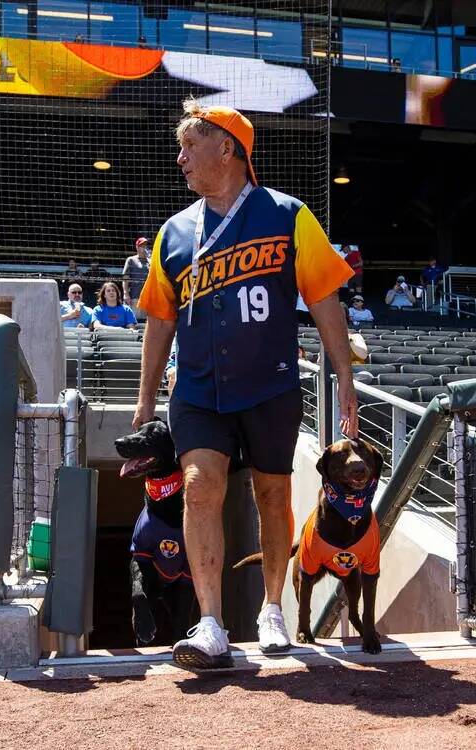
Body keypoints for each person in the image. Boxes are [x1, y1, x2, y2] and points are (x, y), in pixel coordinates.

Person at [133, 99, 356, 669]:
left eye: (189, 146)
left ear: (226, 148)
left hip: (270, 384)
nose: (180, 158)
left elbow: (325, 301)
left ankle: (272, 609)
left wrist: (347, 386)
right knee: (200, 485)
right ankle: (210, 625)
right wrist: (144, 401)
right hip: (200, 390)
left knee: (272, 494)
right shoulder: (173, 233)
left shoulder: (288, 214)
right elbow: (160, 320)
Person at [122, 237, 151, 309]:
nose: (144, 247)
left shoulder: (151, 261)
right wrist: (126, 294)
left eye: (146, 245)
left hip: (149, 298)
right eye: (142, 245)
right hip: (134, 298)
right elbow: (125, 278)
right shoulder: (131, 260)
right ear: (137, 247)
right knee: (135, 319)